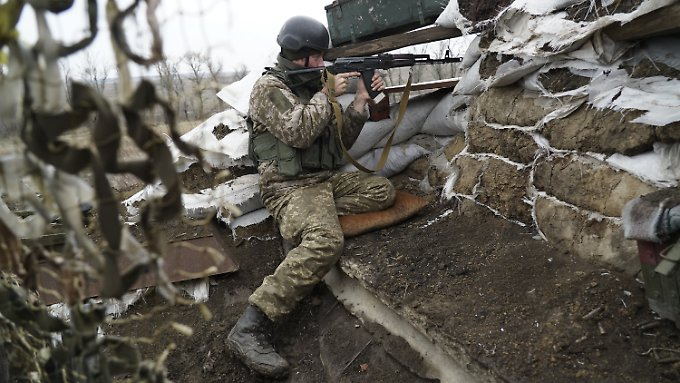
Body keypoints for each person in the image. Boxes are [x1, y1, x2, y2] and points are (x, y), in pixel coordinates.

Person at [226, 15, 395, 378]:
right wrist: (327, 93)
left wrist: (361, 102)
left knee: (382, 190)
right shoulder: (269, 89)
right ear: (297, 54)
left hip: (321, 182)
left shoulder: (315, 86)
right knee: (326, 241)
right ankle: (250, 327)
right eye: (316, 57)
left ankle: (304, 225)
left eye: (322, 58)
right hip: (289, 187)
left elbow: (339, 144)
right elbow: (299, 132)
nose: (322, 64)